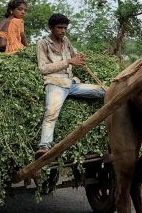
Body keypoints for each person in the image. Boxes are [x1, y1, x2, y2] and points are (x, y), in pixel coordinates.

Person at [36, 13, 105, 158]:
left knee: (106, 92)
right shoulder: (42, 43)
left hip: (72, 83)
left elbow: (75, 54)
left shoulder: (65, 40)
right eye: (59, 28)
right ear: (51, 28)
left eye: (65, 28)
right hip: (55, 83)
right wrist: (68, 62)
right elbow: (43, 68)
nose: (63, 31)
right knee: (51, 112)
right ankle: (44, 146)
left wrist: (80, 57)